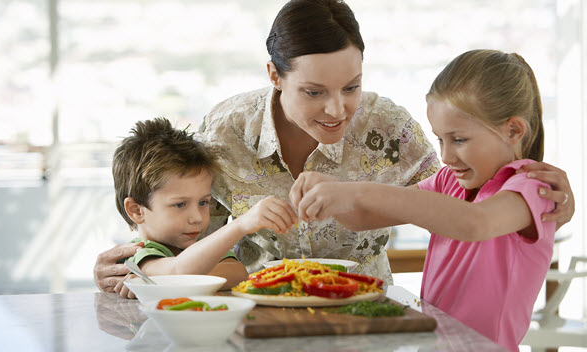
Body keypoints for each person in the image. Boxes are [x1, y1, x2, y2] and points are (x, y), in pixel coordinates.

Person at [93, 0, 575, 294]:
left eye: (351, 86)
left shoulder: (389, 126)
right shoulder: (223, 132)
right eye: (314, 92)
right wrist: (137, 262)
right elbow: (176, 219)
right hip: (250, 316)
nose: (337, 110)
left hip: (368, 316)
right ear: (274, 75)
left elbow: (473, 188)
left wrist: (561, 202)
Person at [290, 49, 558, 351]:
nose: (445, 156)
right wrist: (333, 193)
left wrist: (355, 191)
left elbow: (475, 222)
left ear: (513, 130)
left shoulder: (534, 189)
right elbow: (365, 217)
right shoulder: (448, 182)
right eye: (440, 139)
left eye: (459, 139)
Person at [111, 117, 297, 298]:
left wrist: (170, 279)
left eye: (203, 202)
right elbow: (178, 270)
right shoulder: (139, 257)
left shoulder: (200, 246)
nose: (197, 218)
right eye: (180, 204)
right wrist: (240, 225)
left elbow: (238, 272)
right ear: (136, 210)